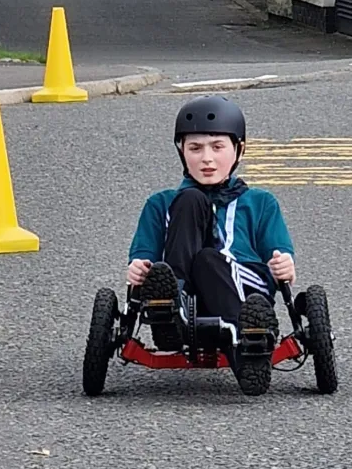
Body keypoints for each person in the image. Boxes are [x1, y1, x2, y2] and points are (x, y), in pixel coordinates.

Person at [126, 94, 296, 394]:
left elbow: (278, 254)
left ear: (238, 150)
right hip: (185, 294)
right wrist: (139, 268)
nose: (207, 158)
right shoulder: (161, 203)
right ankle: (170, 310)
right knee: (190, 201)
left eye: (217, 147)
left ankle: (247, 345)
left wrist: (284, 264)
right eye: (195, 148)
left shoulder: (260, 202)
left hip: (244, 292)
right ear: (182, 152)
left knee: (208, 259)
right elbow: (145, 258)